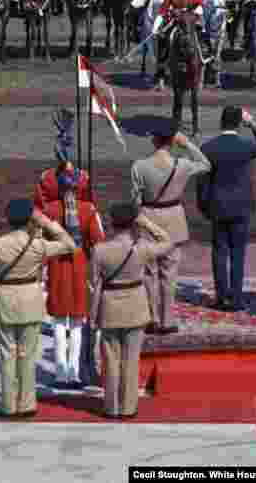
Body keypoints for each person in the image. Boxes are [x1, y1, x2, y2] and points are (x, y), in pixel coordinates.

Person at [0, 199, 77, 419]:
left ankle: (8, 405)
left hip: (4, 299)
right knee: (27, 355)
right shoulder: (37, 245)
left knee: (7, 355)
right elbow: (69, 244)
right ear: (29, 219)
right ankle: (26, 404)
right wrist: (46, 221)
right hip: (30, 299)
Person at [89, 203, 175, 418]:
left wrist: (92, 314)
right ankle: (128, 407)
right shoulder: (142, 247)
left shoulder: (99, 250)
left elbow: (93, 283)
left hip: (109, 307)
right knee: (131, 360)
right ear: (132, 224)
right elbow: (168, 242)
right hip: (135, 306)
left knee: (110, 361)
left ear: (112, 223)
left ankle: (111, 407)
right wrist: (146, 223)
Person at [130, 119, 211, 333]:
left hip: (148, 219)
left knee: (149, 273)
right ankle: (167, 320)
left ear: (154, 140)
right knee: (170, 275)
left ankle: (151, 318)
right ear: (172, 141)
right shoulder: (182, 164)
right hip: (174, 219)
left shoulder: (139, 166)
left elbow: (135, 201)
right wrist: (187, 145)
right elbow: (206, 164)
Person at [197, 106, 256, 311]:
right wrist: (254, 124)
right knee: (238, 254)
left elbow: (202, 181)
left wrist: (203, 206)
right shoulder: (245, 145)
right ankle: (237, 298)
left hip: (218, 206)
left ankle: (221, 297)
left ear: (221, 122)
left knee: (219, 252)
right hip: (241, 207)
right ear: (239, 124)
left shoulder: (207, 147)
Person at [41, 164, 105, 387]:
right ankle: (74, 371)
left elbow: (42, 243)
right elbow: (99, 240)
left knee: (58, 322)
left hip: (57, 266)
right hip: (80, 267)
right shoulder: (88, 209)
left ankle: (60, 372)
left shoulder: (49, 210)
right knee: (77, 323)